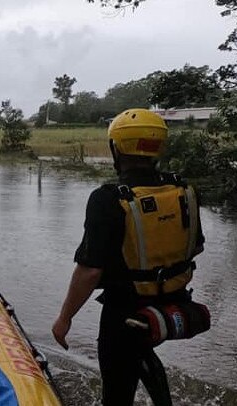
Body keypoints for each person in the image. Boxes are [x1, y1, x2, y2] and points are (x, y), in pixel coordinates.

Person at [51, 109, 205, 406]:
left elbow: (89, 271)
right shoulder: (184, 190)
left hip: (125, 311)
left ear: (116, 147)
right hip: (174, 299)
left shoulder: (108, 199)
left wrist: (64, 319)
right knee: (140, 352)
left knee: (117, 391)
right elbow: (194, 247)